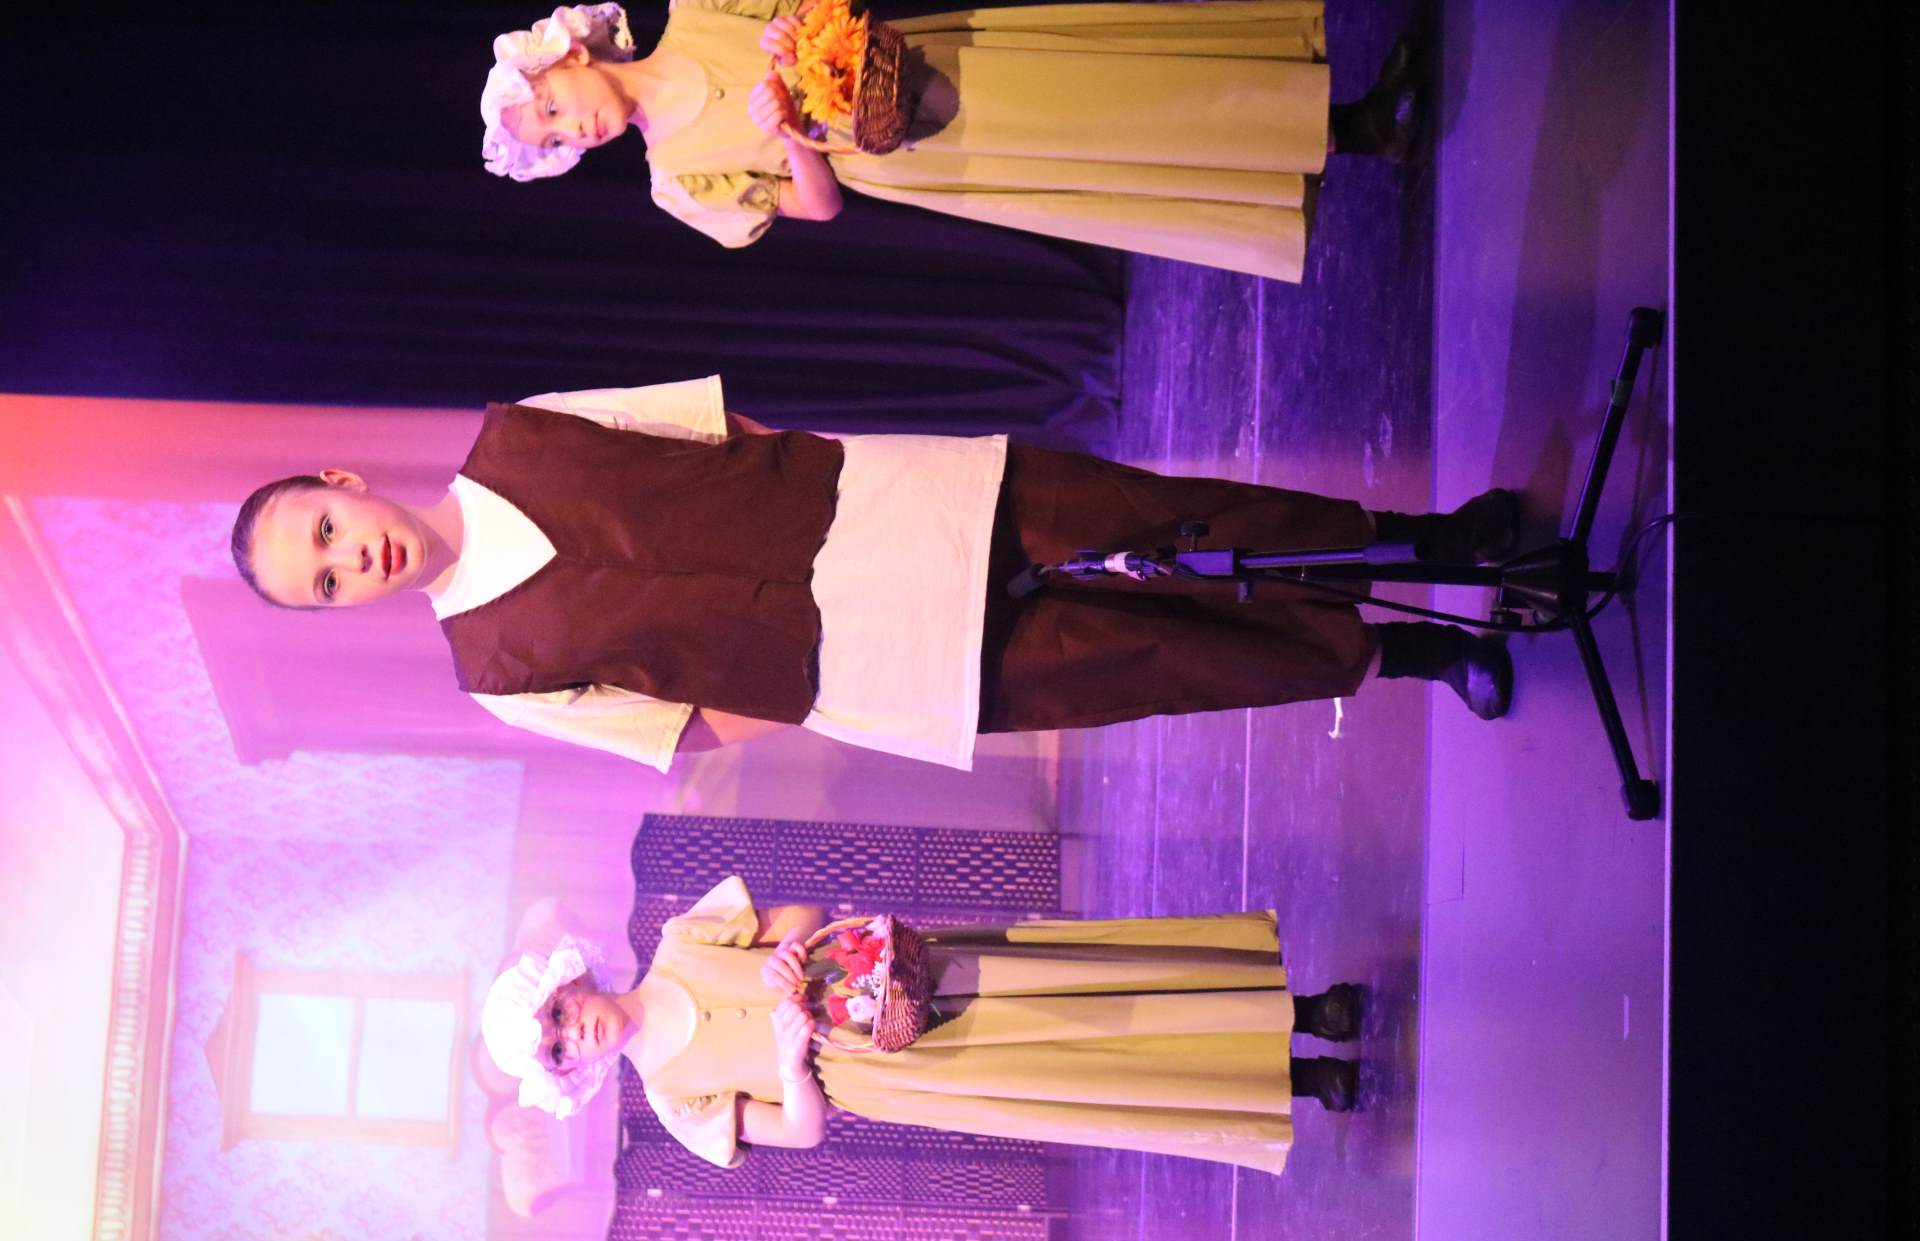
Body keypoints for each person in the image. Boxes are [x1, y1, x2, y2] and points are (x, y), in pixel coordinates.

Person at [228, 376, 1517, 773]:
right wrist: (811, 680)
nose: (352, 559)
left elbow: (708, 427)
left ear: (343, 482)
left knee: (1174, 521)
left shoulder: (522, 429)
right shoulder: (494, 674)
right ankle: (1404, 650)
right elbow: (681, 729)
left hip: (897, 504)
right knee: (1162, 658)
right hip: (877, 663)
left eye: (325, 531)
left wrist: (821, 487)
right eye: (324, 583)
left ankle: (1426, 541)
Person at [479, 874, 1367, 1172]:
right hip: (893, 1066)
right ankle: (1295, 1079)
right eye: (557, 1048)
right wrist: (790, 1066)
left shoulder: (681, 938)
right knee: (1079, 1064)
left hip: (898, 972)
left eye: (558, 1012)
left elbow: (800, 915)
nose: (573, 1031)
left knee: (1082, 990)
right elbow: (801, 1131)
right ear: (568, 1073)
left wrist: (787, 954)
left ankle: (1300, 1010)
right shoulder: (675, 1102)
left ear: (570, 981)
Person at [478, 2, 1422, 281]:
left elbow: (823, 7)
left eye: (552, 107)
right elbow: (819, 207)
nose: (573, 130)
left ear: (570, 54)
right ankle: (1348, 134)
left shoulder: (701, 10)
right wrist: (795, 135)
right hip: (918, 154)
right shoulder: (677, 182)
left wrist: (794, 30)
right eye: (556, 140)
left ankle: (1342, 118)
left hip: (932, 62)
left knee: (1122, 89)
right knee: (1103, 149)